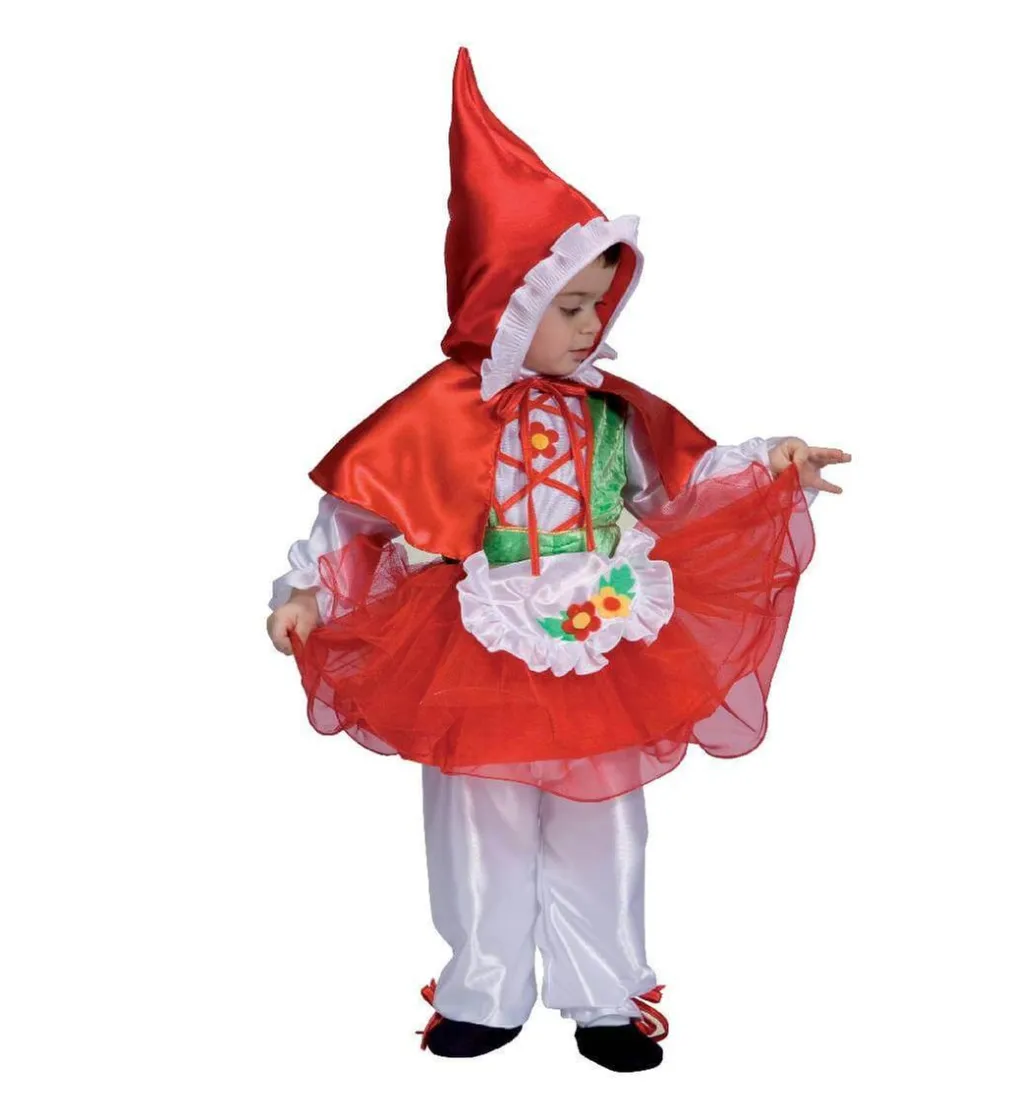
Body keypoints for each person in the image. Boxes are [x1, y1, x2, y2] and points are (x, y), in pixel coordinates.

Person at [266, 47, 850, 1073]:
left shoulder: (613, 412)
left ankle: (605, 995)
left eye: (597, 305)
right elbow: (358, 508)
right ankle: (483, 987)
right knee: (479, 812)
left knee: (600, 814)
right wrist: (306, 591)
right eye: (569, 306)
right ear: (503, 302)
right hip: (472, 637)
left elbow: (685, 483)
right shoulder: (435, 410)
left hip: (599, 628)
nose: (592, 325)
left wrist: (772, 463)